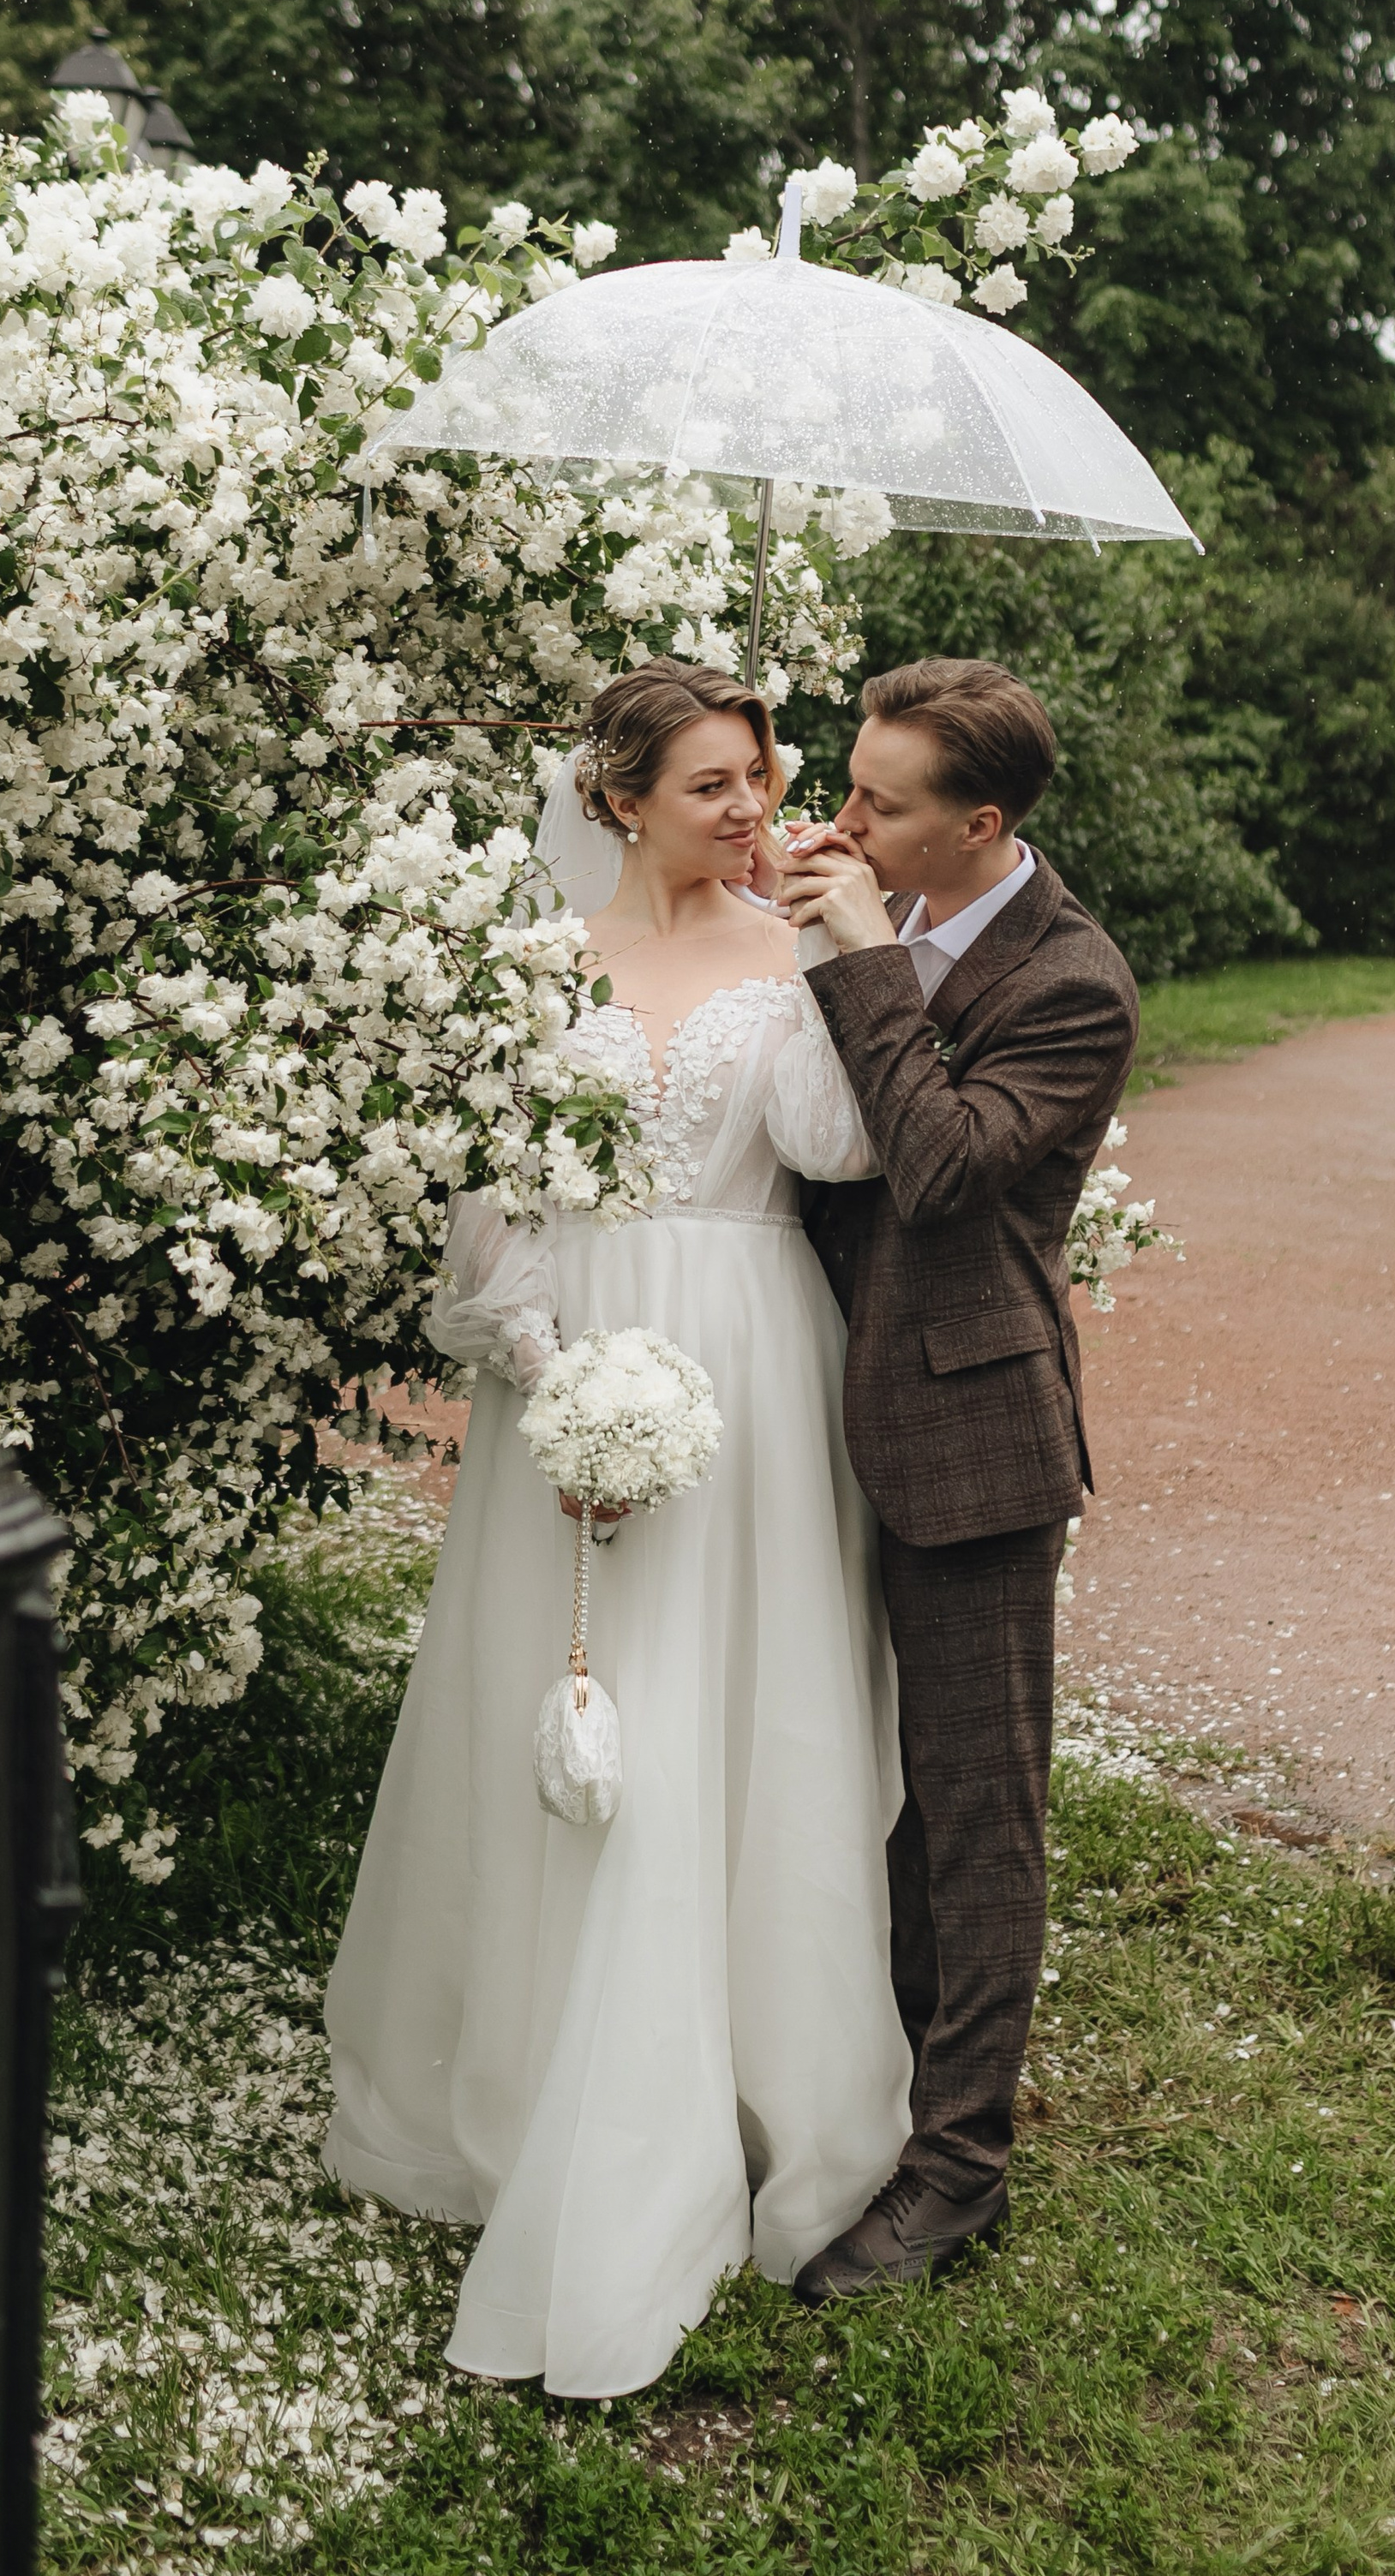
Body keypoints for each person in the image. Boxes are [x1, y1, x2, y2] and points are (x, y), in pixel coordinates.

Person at [320, 659, 909, 2400]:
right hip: (568, 1352)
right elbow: (489, 1214)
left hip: (745, 1351)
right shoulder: (531, 975)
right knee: (565, 1696)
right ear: (619, 797)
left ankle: (729, 2084)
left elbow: (832, 1148)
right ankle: (522, 2066)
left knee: (733, 1699)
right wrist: (548, 1377)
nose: (752, 807)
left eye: (762, 777)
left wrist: (834, 950)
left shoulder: (783, 955)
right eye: (715, 783)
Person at [776, 659, 1139, 2300]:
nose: (841, 821)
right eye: (846, 786)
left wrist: (854, 957)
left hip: (967, 1434)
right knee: (839, 1775)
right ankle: (852, 2086)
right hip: (801, 1407)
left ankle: (960, 2164)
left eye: (881, 805)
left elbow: (930, 1171)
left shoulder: (1074, 987)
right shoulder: (852, 909)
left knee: (971, 1804)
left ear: (978, 824)